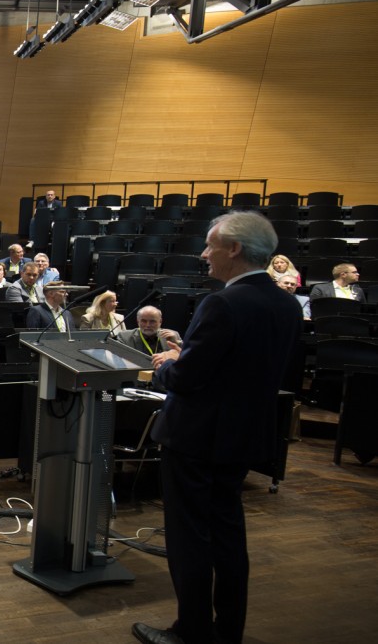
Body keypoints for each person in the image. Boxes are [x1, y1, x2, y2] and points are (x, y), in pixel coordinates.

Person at [133, 211, 302, 644]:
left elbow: (188, 380)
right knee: (228, 535)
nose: (205, 254)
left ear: (235, 249)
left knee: (190, 539)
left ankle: (190, 631)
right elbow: (245, 367)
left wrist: (171, 364)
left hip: (196, 438)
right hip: (243, 437)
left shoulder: (223, 302)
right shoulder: (285, 304)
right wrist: (190, 352)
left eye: (211, 245)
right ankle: (227, 630)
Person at [116, 305, 181, 356]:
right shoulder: (124, 337)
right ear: (138, 321)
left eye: (152, 321)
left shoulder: (173, 335)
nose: (148, 325)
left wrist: (177, 343)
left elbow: (184, 358)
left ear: (160, 321)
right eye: (144, 321)